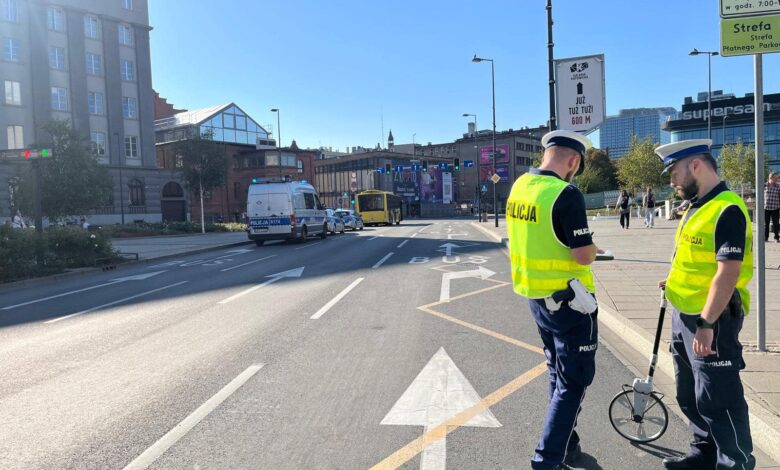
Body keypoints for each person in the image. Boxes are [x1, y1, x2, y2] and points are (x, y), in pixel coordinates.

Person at [655, 139, 755, 469]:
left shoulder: (727, 208)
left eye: (675, 172)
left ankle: (734, 463)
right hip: (684, 315)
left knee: (720, 400)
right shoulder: (697, 207)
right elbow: (695, 261)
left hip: (713, 320)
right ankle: (704, 454)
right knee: (689, 395)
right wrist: (673, 283)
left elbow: (728, 272)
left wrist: (708, 324)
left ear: (695, 165)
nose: (672, 180)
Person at [507, 130, 601, 470]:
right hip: (570, 303)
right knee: (574, 381)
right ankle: (546, 461)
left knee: (556, 371)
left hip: (536, 296)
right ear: (573, 161)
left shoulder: (520, 186)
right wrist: (592, 249)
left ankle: (568, 444)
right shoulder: (566, 194)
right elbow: (582, 255)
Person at [764, 171, 780, 242]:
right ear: (770, 178)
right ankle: (765, 237)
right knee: (766, 224)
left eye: (777, 178)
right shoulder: (764, 186)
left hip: (775, 208)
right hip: (766, 208)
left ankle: (776, 238)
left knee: (776, 223)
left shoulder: (778, 186)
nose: (777, 179)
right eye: (775, 178)